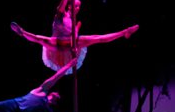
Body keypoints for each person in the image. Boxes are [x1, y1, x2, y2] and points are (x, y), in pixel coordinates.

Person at [10, 21, 139, 75]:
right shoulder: (54, 38)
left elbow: (100, 38)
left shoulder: (72, 26)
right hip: (58, 49)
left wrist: (76, 29)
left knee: (98, 38)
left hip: (71, 43)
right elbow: (37, 38)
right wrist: (23, 32)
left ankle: (124, 32)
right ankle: (22, 32)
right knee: (39, 39)